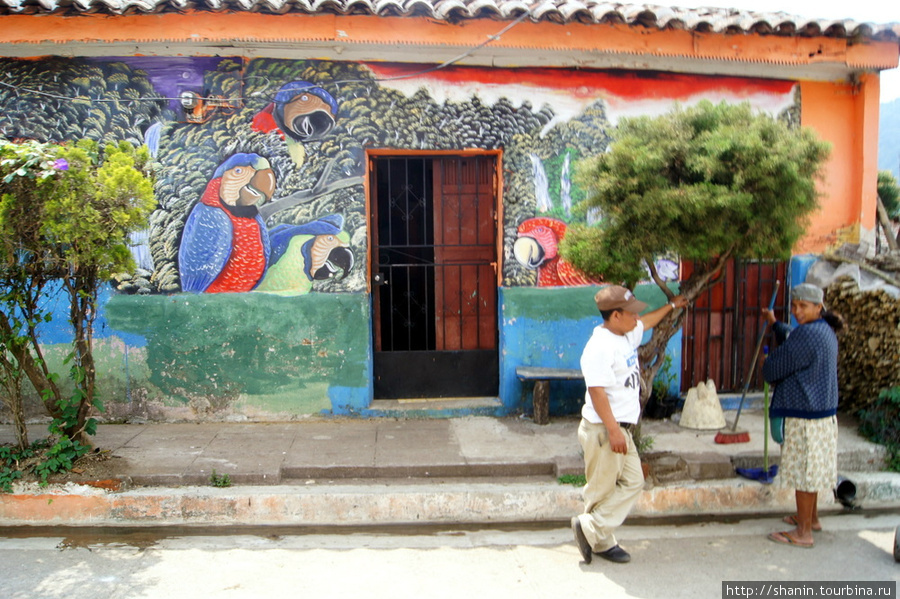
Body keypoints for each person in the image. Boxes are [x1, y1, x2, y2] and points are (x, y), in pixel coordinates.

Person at [572, 285, 687, 564]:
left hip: (621, 428)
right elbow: (597, 392)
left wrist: (672, 306)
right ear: (614, 316)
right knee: (601, 490)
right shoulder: (598, 347)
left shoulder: (624, 334)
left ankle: (592, 529)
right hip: (604, 429)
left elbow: (647, 322)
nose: (637, 317)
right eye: (631, 313)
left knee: (634, 480)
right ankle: (598, 537)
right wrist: (613, 430)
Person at [761, 283, 844, 549]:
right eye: (794, 305)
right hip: (822, 415)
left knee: (804, 474)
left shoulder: (807, 335)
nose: (797, 311)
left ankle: (803, 532)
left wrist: (766, 364)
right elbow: (792, 336)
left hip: (805, 417)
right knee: (814, 470)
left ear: (818, 307)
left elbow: (774, 369)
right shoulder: (823, 329)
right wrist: (775, 323)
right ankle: (812, 518)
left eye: (803, 306)